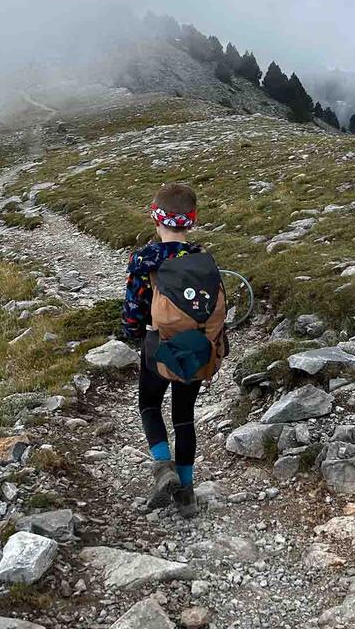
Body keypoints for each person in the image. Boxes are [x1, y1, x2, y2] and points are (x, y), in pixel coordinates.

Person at [121, 182, 226, 517]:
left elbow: (134, 310)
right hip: (196, 348)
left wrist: (131, 333)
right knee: (184, 418)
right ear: (191, 222)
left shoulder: (144, 260)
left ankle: (162, 467)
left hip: (157, 345)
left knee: (149, 405)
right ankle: (187, 494)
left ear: (156, 218)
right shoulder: (202, 259)